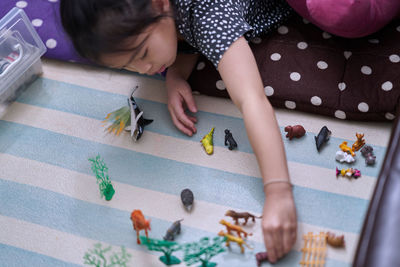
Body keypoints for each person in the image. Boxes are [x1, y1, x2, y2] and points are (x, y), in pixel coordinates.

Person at [60, 0, 297, 262]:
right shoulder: (168, 17)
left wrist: (278, 192)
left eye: (142, 53)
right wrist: (176, 74)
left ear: (160, 5)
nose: (145, 70)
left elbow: (251, 100)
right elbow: (183, 33)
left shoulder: (210, 14)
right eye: (126, 67)